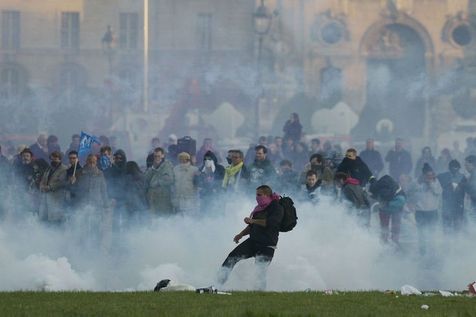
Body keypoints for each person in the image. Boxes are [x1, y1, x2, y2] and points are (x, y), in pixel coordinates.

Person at [217, 185, 284, 290]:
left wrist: (253, 221)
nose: (257, 197)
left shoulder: (277, 207)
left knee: (260, 271)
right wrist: (241, 234)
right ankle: (218, 283)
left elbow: (271, 222)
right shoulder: (259, 208)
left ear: (267, 195)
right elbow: (252, 225)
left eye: (259, 195)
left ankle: (260, 294)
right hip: (253, 241)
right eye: (256, 195)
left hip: (267, 245)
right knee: (232, 257)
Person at [409, 163, 442, 256]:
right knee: (422, 234)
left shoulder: (436, 182)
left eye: (431, 175)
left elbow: (438, 191)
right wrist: (412, 202)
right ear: (423, 175)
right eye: (428, 175)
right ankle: (422, 252)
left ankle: (432, 252)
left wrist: (430, 183)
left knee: (432, 233)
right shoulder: (416, 182)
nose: (430, 177)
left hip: (433, 211)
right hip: (420, 212)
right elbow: (410, 192)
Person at [369, 175, 406, 246]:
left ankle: (394, 242)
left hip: (395, 209)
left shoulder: (398, 194)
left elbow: (401, 201)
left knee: (395, 227)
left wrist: (387, 204)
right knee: (384, 227)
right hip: (384, 209)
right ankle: (384, 242)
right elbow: (373, 193)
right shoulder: (377, 187)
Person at [38, 151, 68, 224]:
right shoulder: (49, 168)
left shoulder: (64, 169)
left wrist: (49, 187)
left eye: (56, 158)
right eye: (52, 158)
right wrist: (41, 186)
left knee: (55, 218)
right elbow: (43, 179)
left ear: (60, 159)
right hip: (46, 196)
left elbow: (61, 182)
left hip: (56, 197)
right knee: (44, 218)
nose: (53, 160)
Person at [144, 147, 175, 216]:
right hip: (153, 198)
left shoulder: (167, 166)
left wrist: (157, 182)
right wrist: (153, 168)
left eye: (159, 156)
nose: (157, 158)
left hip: (164, 198)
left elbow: (170, 179)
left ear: (163, 155)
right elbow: (146, 178)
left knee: (165, 219)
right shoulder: (152, 166)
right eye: (155, 156)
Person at [437, 159, 465, 234]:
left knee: (457, 226)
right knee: (446, 225)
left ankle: (456, 242)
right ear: (449, 168)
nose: (455, 170)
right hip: (447, 204)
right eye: (453, 168)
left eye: (457, 168)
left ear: (459, 168)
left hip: (458, 205)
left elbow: (464, 192)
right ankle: (447, 242)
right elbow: (434, 180)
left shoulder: (462, 177)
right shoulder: (442, 176)